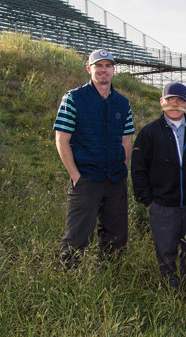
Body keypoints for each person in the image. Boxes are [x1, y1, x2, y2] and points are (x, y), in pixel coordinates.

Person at [53, 49, 134, 269]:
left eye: (108, 66)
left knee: (116, 236)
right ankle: (66, 280)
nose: (103, 70)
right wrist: (76, 176)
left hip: (115, 178)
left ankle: (109, 276)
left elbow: (126, 139)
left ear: (113, 70)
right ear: (90, 69)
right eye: (99, 66)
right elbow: (62, 139)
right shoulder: (74, 98)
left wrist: (123, 168)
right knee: (77, 236)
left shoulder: (122, 103)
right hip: (87, 178)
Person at [131, 82, 186, 292]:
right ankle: (170, 293)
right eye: (170, 100)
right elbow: (138, 168)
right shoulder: (149, 132)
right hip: (162, 205)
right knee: (166, 252)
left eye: (179, 100)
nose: (174, 104)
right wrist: (147, 201)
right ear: (161, 102)